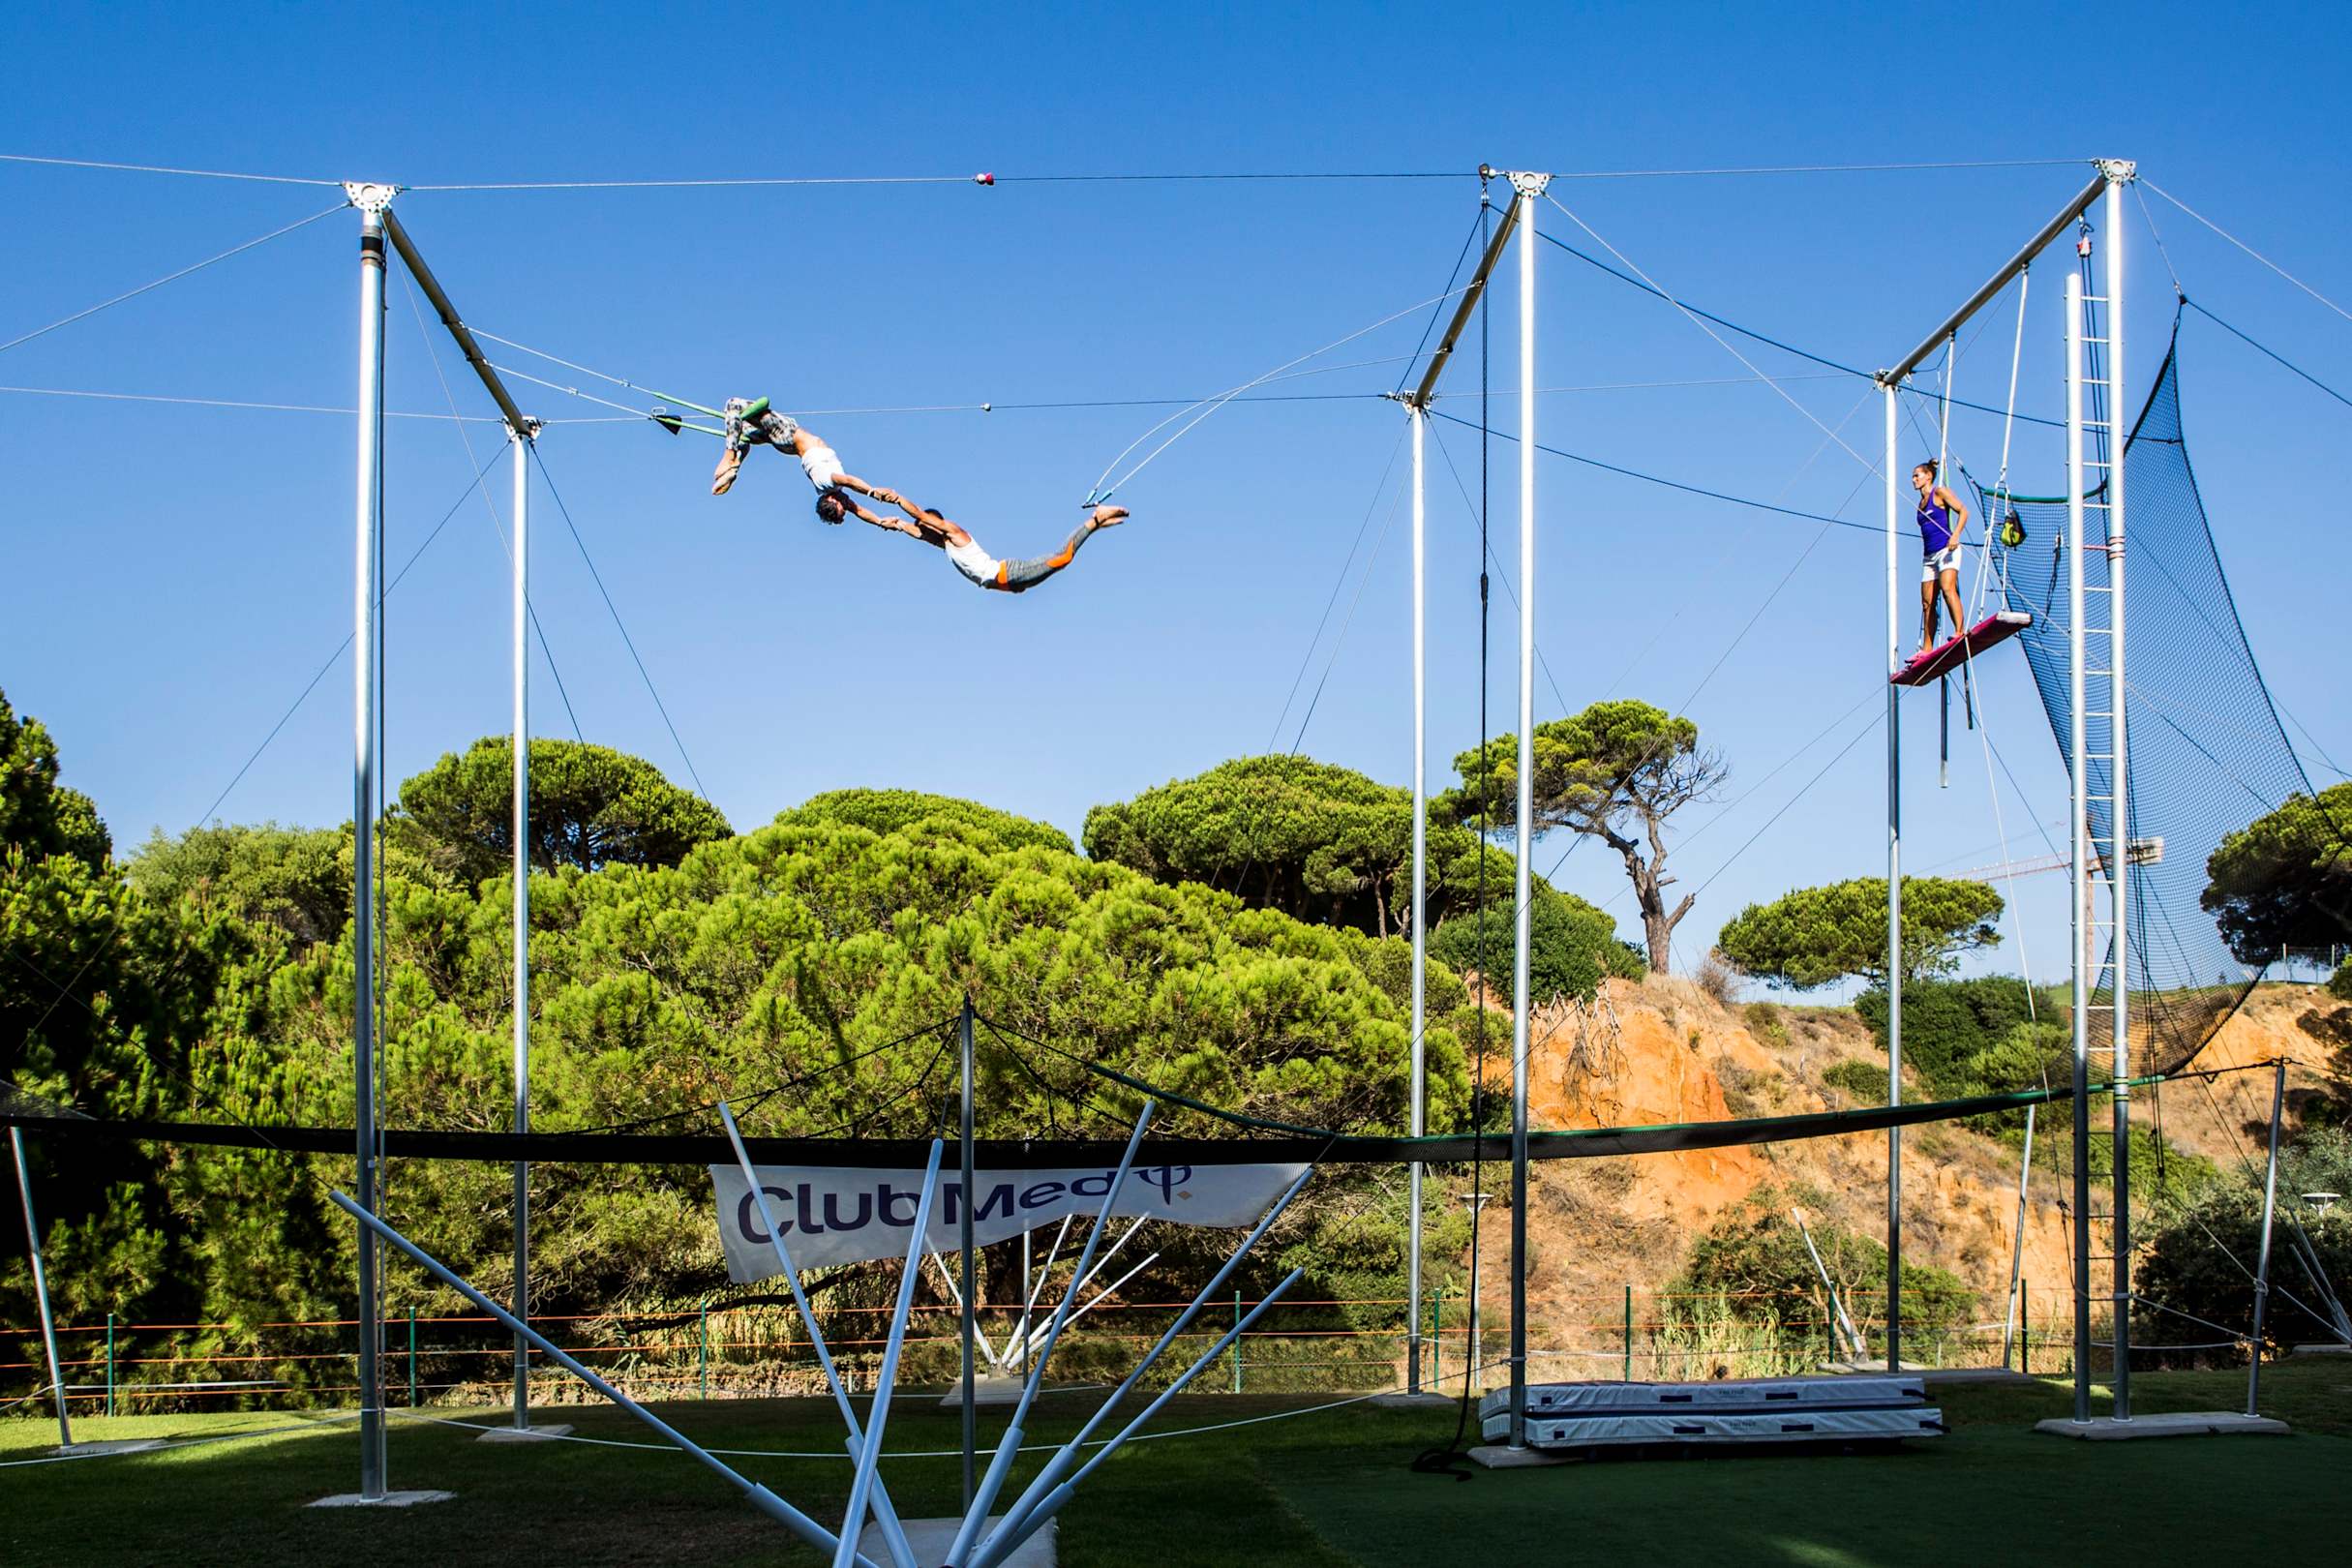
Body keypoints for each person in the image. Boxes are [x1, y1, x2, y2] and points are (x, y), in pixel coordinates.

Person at [816, 487, 1130, 592]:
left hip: (1007, 573)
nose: (924, 529)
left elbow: (919, 517)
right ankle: (1097, 524)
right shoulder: (944, 545)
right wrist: (885, 520)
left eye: (928, 525)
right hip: (1008, 582)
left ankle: (1095, 520)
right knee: (1062, 561)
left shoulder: (953, 532)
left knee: (1063, 558)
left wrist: (898, 499)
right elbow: (909, 528)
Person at [709, 397, 897, 512]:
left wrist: (872, 492)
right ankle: (735, 465)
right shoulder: (828, 490)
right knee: (742, 433)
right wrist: (881, 522)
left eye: (843, 508)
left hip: (787, 434)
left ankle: (730, 456)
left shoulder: (829, 483)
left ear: (831, 501)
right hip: (787, 447)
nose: (848, 505)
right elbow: (859, 511)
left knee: (733, 404)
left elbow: (849, 480)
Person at [1913, 460, 1970, 654]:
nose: (1913, 480)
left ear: (1928, 476)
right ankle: (1927, 648)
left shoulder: (1939, 493)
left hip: (1947, 550)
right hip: (1929, 557)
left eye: (1917, 476)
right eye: (1913, 476)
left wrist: (1956, 535)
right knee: (1927, 603)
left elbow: (1963, 511)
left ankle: (1959, 631)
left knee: (1947, 589)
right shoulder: (1920, 504)